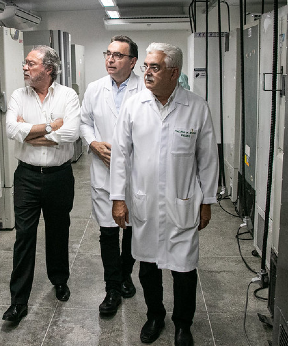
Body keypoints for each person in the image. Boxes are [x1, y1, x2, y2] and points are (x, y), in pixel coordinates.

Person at [110, 43, 218, 346]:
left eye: (153, 67)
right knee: (148, 267)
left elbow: (208, 159)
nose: (146, 72)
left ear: (174, 72)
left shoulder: (196, 107)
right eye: (145, 66)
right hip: (144, 203)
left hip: (182, 203)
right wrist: (119, 199)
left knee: (184, 270)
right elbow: (120, 156)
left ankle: (183, 324)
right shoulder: (134, 105)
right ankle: (155, 316)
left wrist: (207, 202)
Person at [2, 45, 81, 323]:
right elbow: (12, 129)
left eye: (31, 63)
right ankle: (18, 301)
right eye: (25, 63)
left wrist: (29, 132)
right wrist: (50, 127)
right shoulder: (17, 96)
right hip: (26, 177)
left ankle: (59, 280)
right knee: (24, 236)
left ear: (48, 68)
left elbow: (72, 133)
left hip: (59, 176)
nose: (25, 67)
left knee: (59, 230)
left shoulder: (68, 95)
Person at [79, 35, 144, 315]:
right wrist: (93, 143)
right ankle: (112, 289)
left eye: (118, 55)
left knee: (131, 231)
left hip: (136, 174)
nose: (110, 59)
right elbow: (84, 122)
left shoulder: (145, 89)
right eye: (108, 53)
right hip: (103, 172)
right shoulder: (95, 89)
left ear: (132, 62)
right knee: (108, 232)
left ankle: (125, 273)